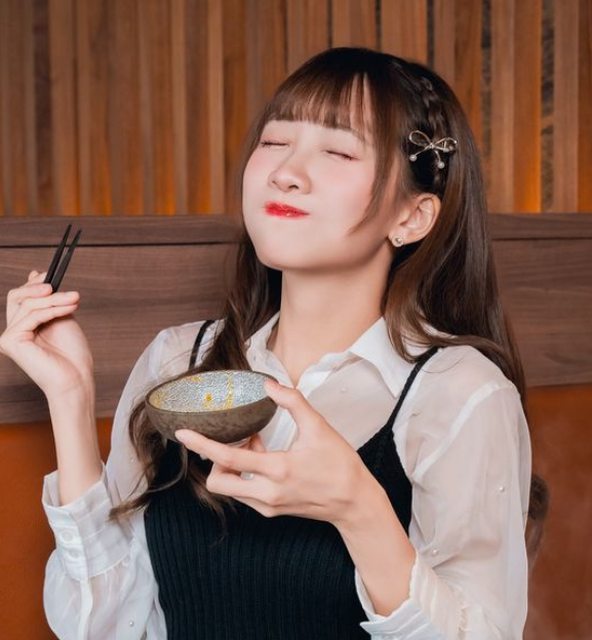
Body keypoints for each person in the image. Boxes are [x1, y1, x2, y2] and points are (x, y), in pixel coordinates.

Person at [0, 47, 532, 639]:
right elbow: (105, 625)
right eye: (275, 141)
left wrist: (358, 507)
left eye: (337, 151)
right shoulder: (180, 358)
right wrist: (69, 399)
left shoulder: (457, 391)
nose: (286, 172)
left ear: (412, 217)